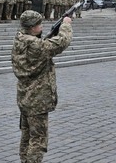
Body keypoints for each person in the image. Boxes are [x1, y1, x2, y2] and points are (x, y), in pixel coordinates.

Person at [11, 10, 73, 163]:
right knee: (38, 139)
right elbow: (62, 42)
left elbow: (40, 47)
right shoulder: (35, 44)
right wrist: (65, 25)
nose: (42, 26)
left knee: (27, 135)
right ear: (32, 27)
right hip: (37, 99)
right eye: (39, 24)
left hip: (25, 96)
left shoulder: (20, 38)